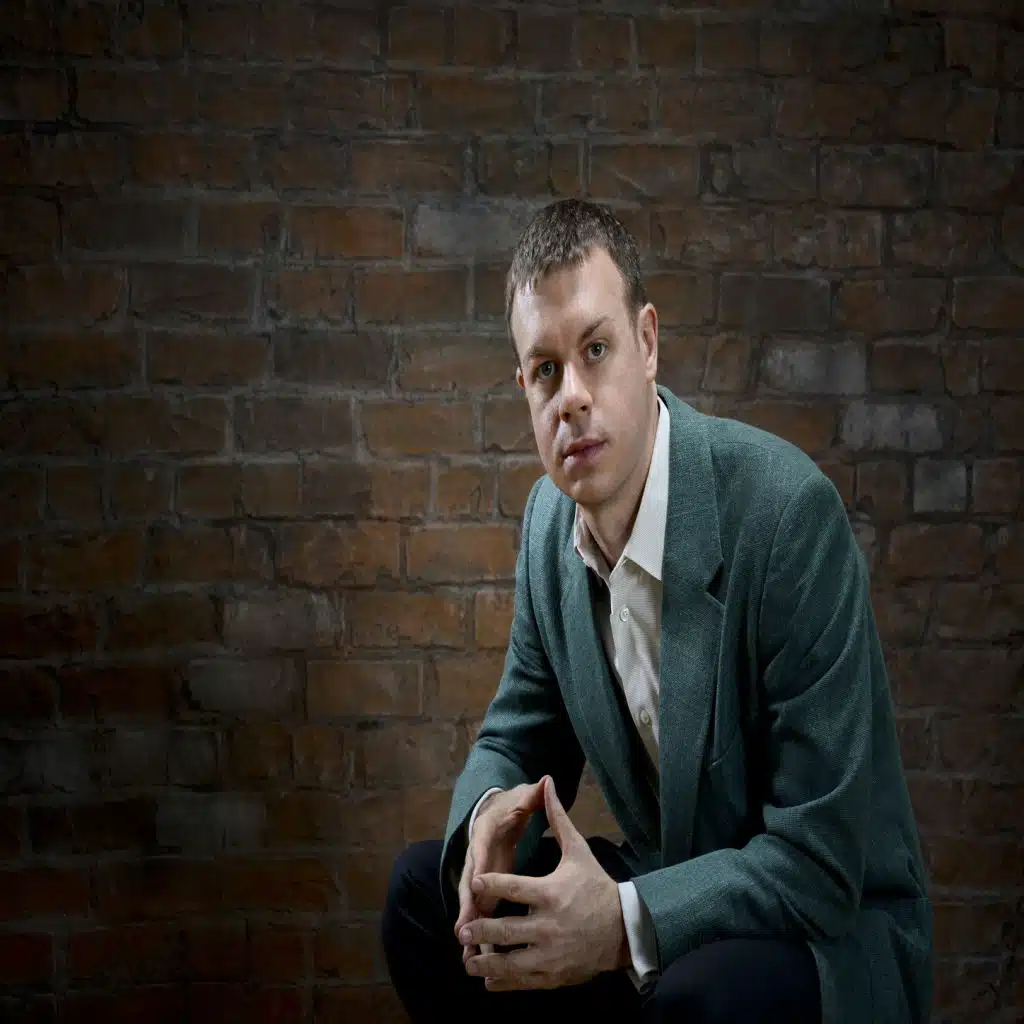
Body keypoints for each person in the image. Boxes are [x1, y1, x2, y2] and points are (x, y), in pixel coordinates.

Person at [381, 199, 933, 1023]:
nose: (571, 397)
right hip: (664, 893)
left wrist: (620, 923)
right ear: (524, 389)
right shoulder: (547, 527)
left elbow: (819, 865)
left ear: (646, 343)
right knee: (421, 901)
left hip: (826, 931)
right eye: (545, 371)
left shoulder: (787, 517)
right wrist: (490, 818)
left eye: (595, 350)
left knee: (694, 999)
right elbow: (517, 737)